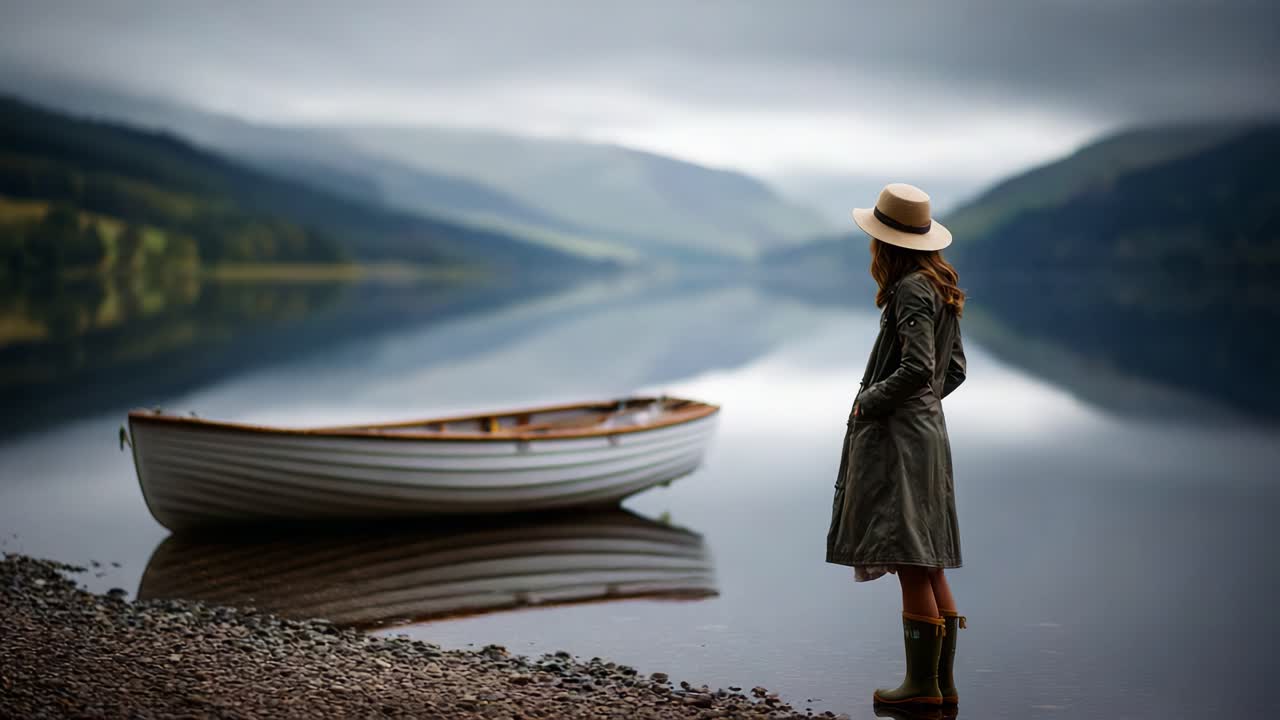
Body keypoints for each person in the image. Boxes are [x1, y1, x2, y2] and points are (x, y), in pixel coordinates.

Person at [825, 183, 968, 708]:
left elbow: (917, 369)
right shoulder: (940, 285)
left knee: (911, 555)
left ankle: (920, 689)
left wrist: (872, 403)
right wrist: (923, 407)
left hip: (905, 442)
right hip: (928, 435)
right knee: (928, 558)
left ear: (885, 243)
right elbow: (952, 371)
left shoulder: (910, 288)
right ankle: (942, 686)